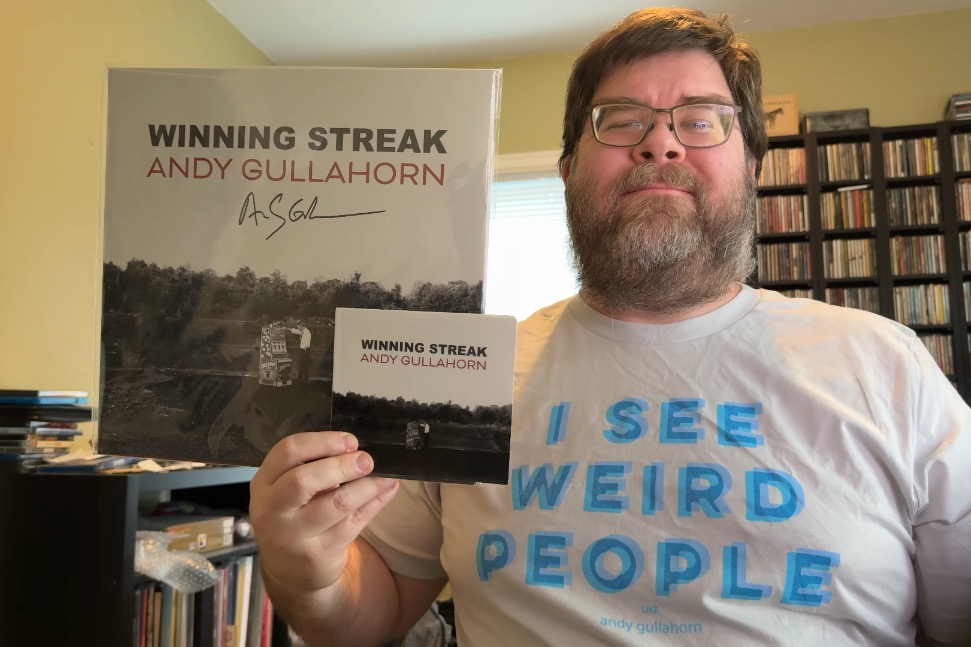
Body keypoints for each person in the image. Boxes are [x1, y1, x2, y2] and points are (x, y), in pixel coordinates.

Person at [249, 8, 971, 646]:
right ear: (567, 167)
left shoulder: (885, 365)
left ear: (752, 165)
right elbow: (370, 610)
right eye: (621, 118)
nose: (660, 144)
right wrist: (309, 578)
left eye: (700, 118)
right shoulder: (461, 378)